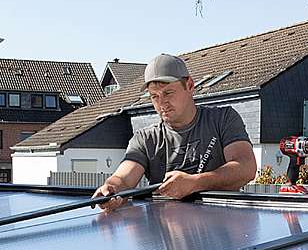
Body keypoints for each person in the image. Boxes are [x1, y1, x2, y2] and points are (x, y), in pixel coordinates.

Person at [92, 54, 257, 212]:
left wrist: (195, 183)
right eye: (154, 96)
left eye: (168, 93)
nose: (162, 102)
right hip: (166, 234)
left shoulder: (223, 119)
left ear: (190, 86)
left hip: (224, 232)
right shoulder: (145, 139)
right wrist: (111, 189)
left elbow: (246, 167)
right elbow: (124, 178)